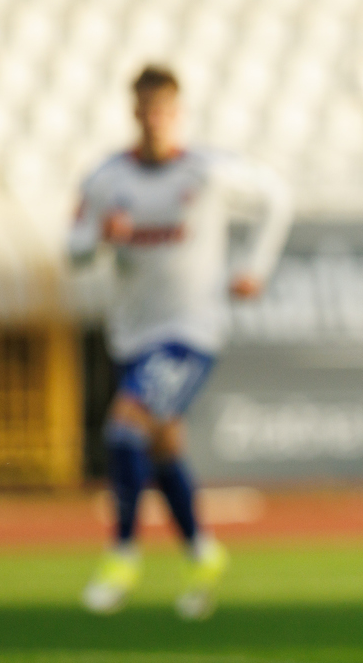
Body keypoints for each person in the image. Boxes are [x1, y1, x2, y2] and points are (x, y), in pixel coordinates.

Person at [70, 65, 292, 620]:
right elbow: (71, 249)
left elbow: (276, 198)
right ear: (134, 113)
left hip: (191, 331)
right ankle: (201, 551)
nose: (155, 121)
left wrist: (254, 268)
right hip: (133, 334)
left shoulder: (206, 172)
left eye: (164, 110)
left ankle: (121, 554)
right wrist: (101, 236)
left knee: (124, 430)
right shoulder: (106, 180)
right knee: (163, 446)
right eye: (146, 111)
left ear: (178, 112)